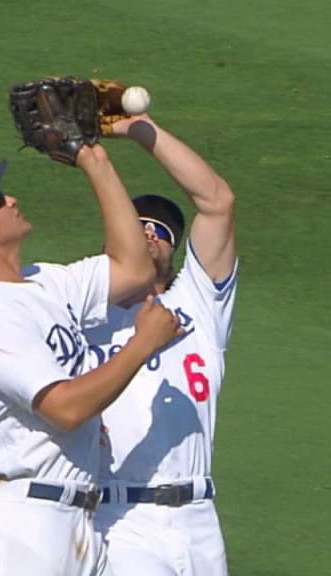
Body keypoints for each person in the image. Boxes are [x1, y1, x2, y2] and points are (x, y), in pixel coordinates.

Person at [0, 143, 185, 576]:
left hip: (80, 525)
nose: (12, 199)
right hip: (23, 529)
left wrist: (93, 160)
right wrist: (142, 345)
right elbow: (65, 409)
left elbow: (134, 268)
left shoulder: (47, 282)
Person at [85, 116, 237, 576]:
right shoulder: (84, 309)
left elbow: (218, 202)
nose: (147, 233)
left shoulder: (199, 302)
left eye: (160, 230)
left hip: (200, 520)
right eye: (136, 225)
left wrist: (138, 129)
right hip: (122, 519)